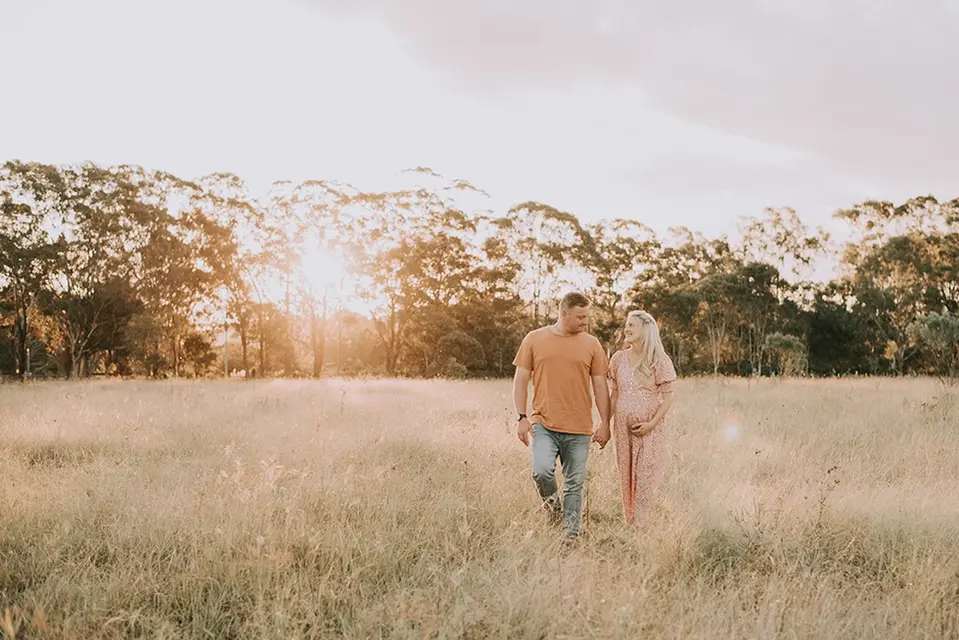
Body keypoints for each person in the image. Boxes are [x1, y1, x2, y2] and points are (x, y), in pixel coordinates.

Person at [512, 292, 611, 543]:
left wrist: (605, 423)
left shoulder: (592, 344)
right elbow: (521, 380)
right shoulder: (534, 339)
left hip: (579, 428)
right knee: (541, 472)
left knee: (574, 484)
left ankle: (571, 535)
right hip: (544, 423)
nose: (585, 322)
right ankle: (555, 510)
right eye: (580, 317)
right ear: (564, 314)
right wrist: (521, 416)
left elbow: (600, 387)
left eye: (587, 317)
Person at [607, 310, 678, 529]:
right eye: (626, 325)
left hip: (650, 429)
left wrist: (651, 424)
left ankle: (643, 526)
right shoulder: (618, 358)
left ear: (645, 330)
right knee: (626, 476)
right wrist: (604, 424)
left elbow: (668, 397)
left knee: (645, 477)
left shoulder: (658, 359)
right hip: (622, 430)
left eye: (632, 325)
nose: (626, 329)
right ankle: (630, 524)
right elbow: (615, 393)